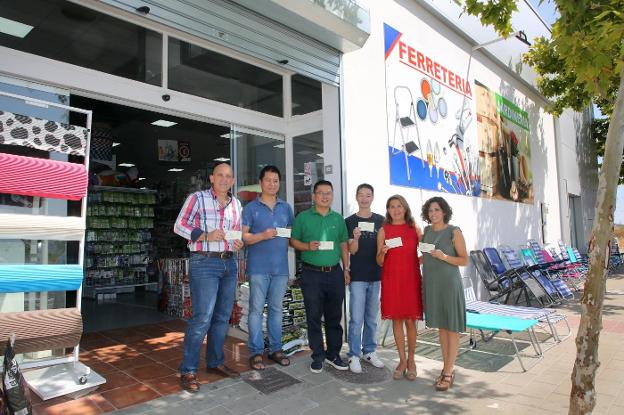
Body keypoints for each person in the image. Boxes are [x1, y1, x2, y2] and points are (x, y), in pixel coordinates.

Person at [173, 162, 244, 393]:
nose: (224, 179)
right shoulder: (197, 198)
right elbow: (179, 225)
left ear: (232, 181)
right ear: (212, 178)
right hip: (204, 261)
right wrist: (205, 235)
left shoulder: (236, 204)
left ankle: (215, 362)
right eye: (220, 175)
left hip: (229, 262)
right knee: (202, 317)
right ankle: (188, 369)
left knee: (222, 317)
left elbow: (236, 231)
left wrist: (238, 241)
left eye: (229, 176)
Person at [290, 180, 350, 373]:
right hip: (311, 274)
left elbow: (343, 244)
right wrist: (307, 246)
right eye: (321, 193)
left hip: (335, 273)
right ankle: (317, 356)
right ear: (313, 196)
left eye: (328, 193)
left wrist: (346, 268)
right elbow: (293, 241)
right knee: (314, 316)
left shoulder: (338, 219)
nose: (325, 196)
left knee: (334, 316)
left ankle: (333, 354)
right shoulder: (303, 217)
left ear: (332, 196)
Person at [242, 165, 294, 370]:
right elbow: (244, 237)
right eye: (268, 180)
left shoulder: (286, 207)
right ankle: (255, 352)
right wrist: (263, 235)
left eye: (275, 180)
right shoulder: (250, 208)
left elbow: (291, 235)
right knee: (255, 310)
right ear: (261, 183)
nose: (272, 184)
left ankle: (275, 349)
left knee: (276, 310)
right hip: (258, 269)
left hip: (280, 268)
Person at [420, 196, 468, 391]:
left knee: (452, 327)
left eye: (437, 210)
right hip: (432, 284)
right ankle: (446, 366)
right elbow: (424, 256)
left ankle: (448, 371)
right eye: (430, 210)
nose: (433, 214)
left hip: (449, 283)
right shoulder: (426, 232)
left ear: (444, 212)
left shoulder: (454, 232)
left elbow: (464, 260)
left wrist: (445, 256)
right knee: (441, 326)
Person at [376, 195, 423, 381]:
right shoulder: (383, 230)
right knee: (396, 321)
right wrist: (382, 252)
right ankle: (402, 361)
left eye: (399, 206)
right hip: (391, 280)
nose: (396, 210)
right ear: (388, 210)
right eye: (392, 207)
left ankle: (412, 361)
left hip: (410, 280)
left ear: (405, 208)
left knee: (411, 321)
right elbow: (379, 262)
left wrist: (415, 263)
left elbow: (426, 251)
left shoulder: (414, 229)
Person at [345, 184, 385, 373]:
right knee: (356, 319)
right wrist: (356, 238)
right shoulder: (350, 221)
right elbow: (352, 250)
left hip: (376, 276)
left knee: (371, 318)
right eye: (361, 195)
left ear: (372, 197)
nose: (364, 198)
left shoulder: (381, 221)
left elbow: (385, 248)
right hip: (358, 277)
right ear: (356, 197)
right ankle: (354, 354)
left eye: (368, 195)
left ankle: (369, 351)